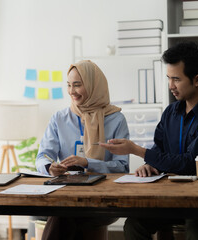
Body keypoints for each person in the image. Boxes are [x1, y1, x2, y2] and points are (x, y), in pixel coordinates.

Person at [99, 41, 198, 239]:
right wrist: (150, 164)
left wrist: (137, 150)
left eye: (176, 79)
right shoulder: (170, 113)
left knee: (197, 231)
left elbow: (189, 164)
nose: (170, 86)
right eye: (168, 78)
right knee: (134, 224)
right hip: (170, 197)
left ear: (197, 79)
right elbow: (159, 149)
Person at [35, 60, 129, 240]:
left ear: (94, 85)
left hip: (104, 196)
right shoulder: (59, 118)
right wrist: (49, 167)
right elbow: (42, 156)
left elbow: (122, 166)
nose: (71, 91)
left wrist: (87, 162)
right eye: (69, 85)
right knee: (66, 212)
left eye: (77, 85)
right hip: (67, 193)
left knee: (64, 214)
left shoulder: (116, 120)